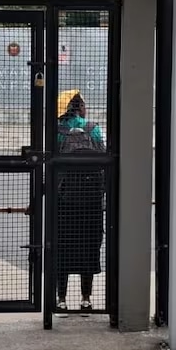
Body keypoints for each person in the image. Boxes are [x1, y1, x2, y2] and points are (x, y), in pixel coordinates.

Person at [54, 90, 109, 311]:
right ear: (79, 108)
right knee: (89, 247)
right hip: (91, 202)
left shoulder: (57, 131)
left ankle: (61, 299)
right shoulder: (93, 129)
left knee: (62, 248)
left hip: (64, 202)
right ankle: (86, 299)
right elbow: (104, 158)